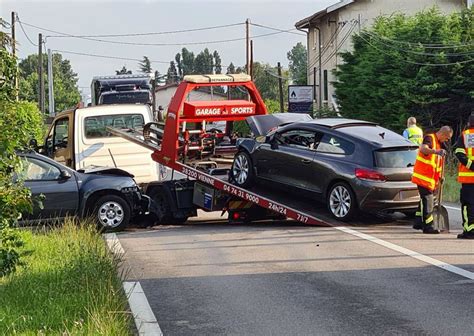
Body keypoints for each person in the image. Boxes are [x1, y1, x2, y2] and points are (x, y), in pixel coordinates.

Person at [412, 126, 453, 234]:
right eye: (447, 138)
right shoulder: (430, 139)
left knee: (425, 200)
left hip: (430, 180)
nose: (447, 140)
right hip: (423, 177)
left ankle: (418, 223)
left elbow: (436, 165)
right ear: (443, 134)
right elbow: (423, 149)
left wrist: (440, 176)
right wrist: (435, 151)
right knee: (428, 201)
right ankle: (428, 227)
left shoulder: (439, 144)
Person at [454, 114, 474, 239]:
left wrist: (471, 165)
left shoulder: (465, 135)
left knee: (468, 204)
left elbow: (459, 152)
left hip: (468, 178)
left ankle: (469, 230)